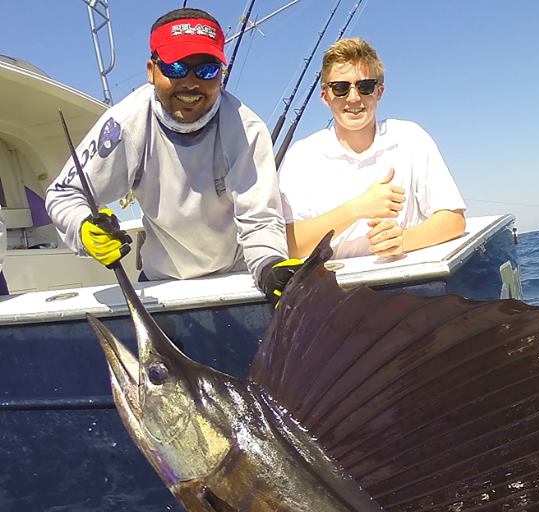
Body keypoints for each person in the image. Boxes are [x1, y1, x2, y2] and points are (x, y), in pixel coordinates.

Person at [45, 8, 299, 299]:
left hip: (238, 281)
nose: (191, 82)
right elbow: (64, 193)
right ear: (151, 71)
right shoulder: (125, 123)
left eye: (206, 69)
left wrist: (270, 267)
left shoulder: (247, 128)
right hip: (160, 285)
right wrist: (82, 226)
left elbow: (260, 220)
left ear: (221, 74)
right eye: (176, 67)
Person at [279, 38, 466, 260]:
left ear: (379, 92)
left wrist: (403, 240)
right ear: (325, 96)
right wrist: (357, 208)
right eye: (340, 88)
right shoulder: (300, 156)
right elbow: (289, 246)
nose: (354, 98)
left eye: (365, 86)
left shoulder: (411, 137)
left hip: (408, 281)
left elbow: (454, 219)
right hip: (331, 289)